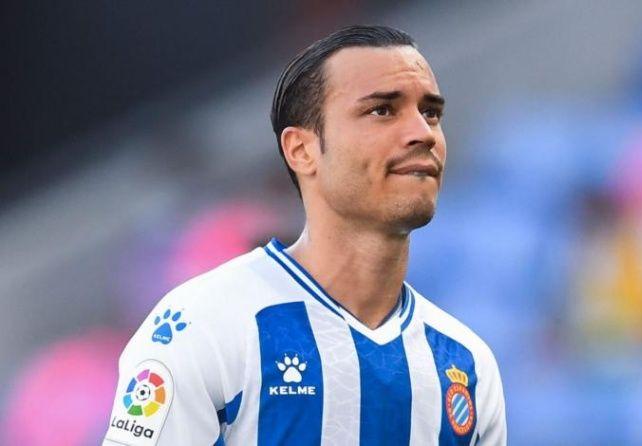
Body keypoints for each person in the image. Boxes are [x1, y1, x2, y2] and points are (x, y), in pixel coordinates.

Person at [103, 25, 506, 446]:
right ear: (301, 150)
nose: (422, 132)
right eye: (382, 111)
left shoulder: (467, 363)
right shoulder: (201, 325)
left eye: (431, 113)